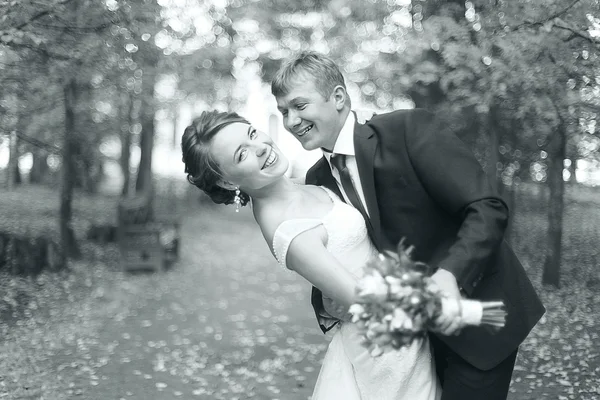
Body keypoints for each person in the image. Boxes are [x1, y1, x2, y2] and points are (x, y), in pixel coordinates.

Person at [270, 51, 546, 400]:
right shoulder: (317, 177)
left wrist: (450, 275)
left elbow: (486, 208)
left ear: (338, 97)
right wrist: (326, 301)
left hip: (478, 315)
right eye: (283, 112)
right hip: (409, 342)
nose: (291, 120)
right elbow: (344, 248)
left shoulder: (407, 129)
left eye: (299, 105)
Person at [181, 110, 442, 399]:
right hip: (391, 346)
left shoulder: (304, 184)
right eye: (242, 154)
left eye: (252, 134)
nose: (261, 147)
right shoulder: (290, 231)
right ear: (227, 182)